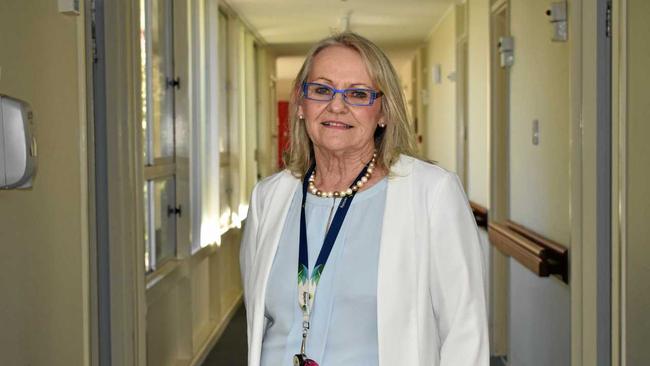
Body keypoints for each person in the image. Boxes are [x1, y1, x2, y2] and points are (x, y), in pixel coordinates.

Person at [240, 32, 488, 366]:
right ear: (301, 105)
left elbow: (465, 333)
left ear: (383, 112)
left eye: (358, 94)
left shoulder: (431, 193)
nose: (337, 106)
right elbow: (260, 319)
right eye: (322, 90)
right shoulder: (269, 198)